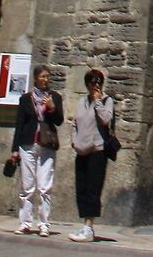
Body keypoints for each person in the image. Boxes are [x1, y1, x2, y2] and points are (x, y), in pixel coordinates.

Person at [9, 65, 64, 237]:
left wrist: (52, 108)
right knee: (27, 186)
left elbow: (59, 121)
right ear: (35, 78)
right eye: (42, 76)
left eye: (47, 76)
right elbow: (19, 124)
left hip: (46, 145)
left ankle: (44, 223)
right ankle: (25, 222)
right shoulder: (26, 99)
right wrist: (14, 149)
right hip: (27, 145)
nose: (45, 79)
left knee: (44, 185)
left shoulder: (55, 97)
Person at [69, 69, 115, 243]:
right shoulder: (81, 102)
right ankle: (85, 225)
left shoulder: (106, 101)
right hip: (81, 151)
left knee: (93, 190)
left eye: (99, 83)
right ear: (87, 84)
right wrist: (74, 140)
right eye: (93, 83)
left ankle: (89, 226)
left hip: (97, 151)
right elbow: (74, 123)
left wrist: (97, 102)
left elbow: (106, 120)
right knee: (81, 189)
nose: (96, 86)